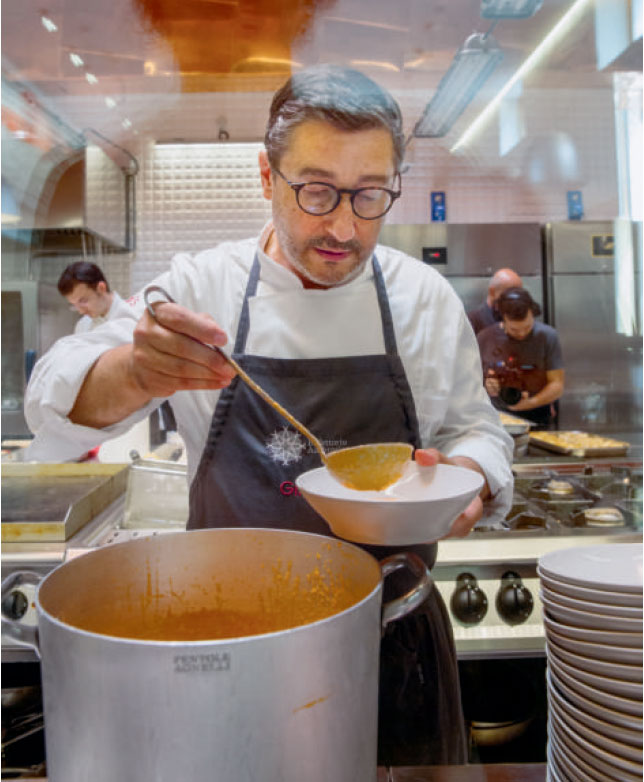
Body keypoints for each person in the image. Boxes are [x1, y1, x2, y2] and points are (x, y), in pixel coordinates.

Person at [25, 64, 513, 765]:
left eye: (370, 194)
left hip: (395, 633)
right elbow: (54, 398)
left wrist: (468, 473)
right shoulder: (202, 285)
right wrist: (134, 372)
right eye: (316, 190)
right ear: (266, 176)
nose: (344, 225)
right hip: (229, 641)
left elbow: (477, 429)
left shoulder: (423, 299)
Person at [477, 287, 564, 427]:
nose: (522, 334)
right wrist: (486, 384)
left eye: (528, 327)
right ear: (502, 319)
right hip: (494, 420)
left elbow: (557, 384)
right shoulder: (485, 338)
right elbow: (470, 382)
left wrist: (531, 403)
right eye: (514, 330)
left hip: (537, 418)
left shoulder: (547, 337)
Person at [57, 261, 136, 333]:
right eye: (74, 305)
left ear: (101, 288)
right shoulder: (82, 326)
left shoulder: (133, 318)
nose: (81, 311)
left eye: (83, 301)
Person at [467, 267, 523, 335]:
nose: (515, 300)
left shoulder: (520, 318)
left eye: (519, 294)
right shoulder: (472, 321)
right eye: (509, 295)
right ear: (492, 292)